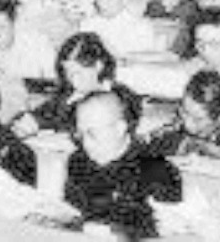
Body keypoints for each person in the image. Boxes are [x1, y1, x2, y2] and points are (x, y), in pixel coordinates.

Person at [64, 89, 182, 239]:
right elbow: (70, 216)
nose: (85, 143)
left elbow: (168, 235)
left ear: (120, 128)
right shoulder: (78, 162)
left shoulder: (157, 172)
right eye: (80, 134)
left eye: (92, 134)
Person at [141, 69, 220, 163]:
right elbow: (157, 137)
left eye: (197, 120)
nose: (188, 124)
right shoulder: (180, 122)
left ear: (218, 119)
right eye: (185, 112)